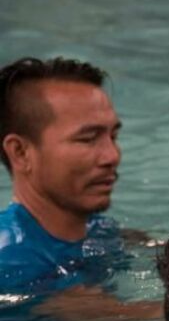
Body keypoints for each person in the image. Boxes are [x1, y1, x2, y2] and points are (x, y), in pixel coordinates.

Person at [0, 56, 123, 292]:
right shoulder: (11, 262)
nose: (112, 156)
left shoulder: (100, 230)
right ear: (21, 152)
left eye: (113, 137)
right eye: (88, 139)